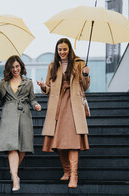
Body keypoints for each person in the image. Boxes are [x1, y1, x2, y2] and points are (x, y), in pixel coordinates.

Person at [36, 38, 90, 188]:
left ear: (70, 49)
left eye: (64, 49)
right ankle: (66, 170)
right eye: (59, 50)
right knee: (57, 142)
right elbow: (48, 89)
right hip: (57, 105)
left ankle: (74, 175)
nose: (62, 52)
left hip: (73, 105)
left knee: (72, 141)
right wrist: (42, 86)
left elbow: (84, 87)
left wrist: (85, 74)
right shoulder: (52, 66)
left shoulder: (79, 63)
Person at [0, 55, 41, 192]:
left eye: (17, 66)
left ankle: (12, 171)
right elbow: (0, 101)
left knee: (23, 147)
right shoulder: (4, 82)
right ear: (9, 68)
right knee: (12, 146)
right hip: (9, 114)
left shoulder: (28, 82)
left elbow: (32, 99)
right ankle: (15, 178)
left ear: (21, 66)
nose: (15, 69)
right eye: (12, 67)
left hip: (24, 114)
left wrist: (36, 105)